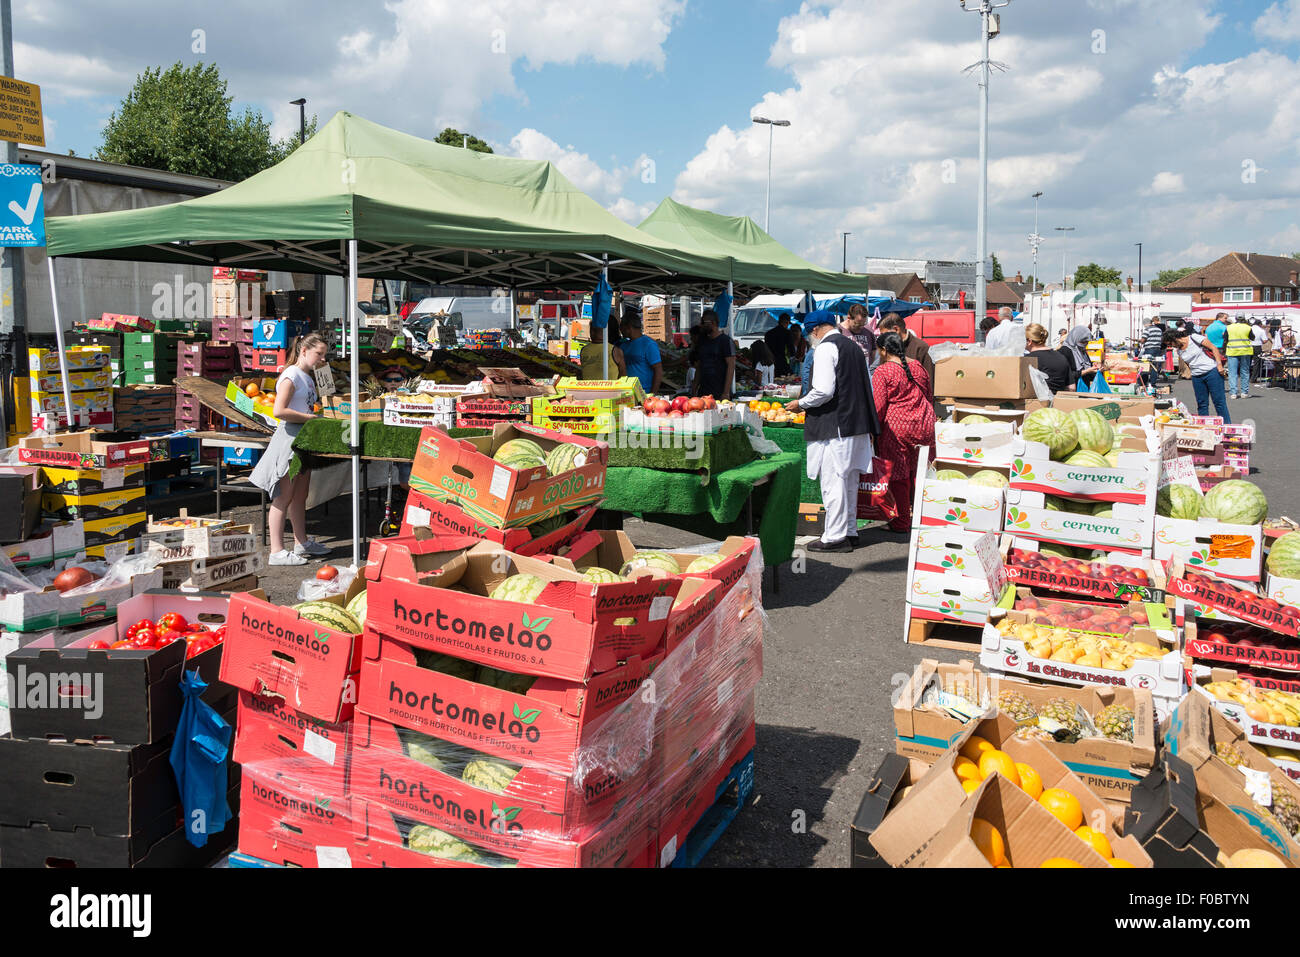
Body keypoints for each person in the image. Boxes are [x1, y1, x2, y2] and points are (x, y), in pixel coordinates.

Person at [786, 311, 879, 552]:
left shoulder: (826, 349)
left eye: (810, 333)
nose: (810, 338)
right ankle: (849, 530)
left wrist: (801, 403)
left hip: (835, 425)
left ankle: (834, 537)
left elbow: (824, 391)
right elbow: (867, 386)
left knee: (833, 481)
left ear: (815, 330)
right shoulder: (855, 347)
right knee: (848, 480)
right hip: (856, 424)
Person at [250, 334, 331, 566]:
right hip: (289, 440)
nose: (322, 358)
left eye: (324, 354)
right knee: (283, 496)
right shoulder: (291, 375)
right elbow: (278, 411)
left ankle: (301, 542)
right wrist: (309, 418)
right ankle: (276, 551)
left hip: (303, 439)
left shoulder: (306, 376)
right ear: (304, 350)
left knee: (300, 496)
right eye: (319, 354)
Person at [871, 331, 936, 532]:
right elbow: (929, 395)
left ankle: (901, 522)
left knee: (899, 476)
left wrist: (872, 430)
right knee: (921, 472)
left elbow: (878, 407)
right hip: (925, 423)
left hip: (898, 428)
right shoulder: (916, 366)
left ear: (883, 350)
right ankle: (924, 516)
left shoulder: (883, 372)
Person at [1166, 326, 1230, 423]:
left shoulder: (1194, 338)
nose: (1171, 346)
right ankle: (1204, 426)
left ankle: (1227, 426)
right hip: (1197, 377)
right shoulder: (1179, 351)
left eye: (1171, 343)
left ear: (1175, 338)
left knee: (1219, 402)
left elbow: (1214, 348)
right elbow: (1189, 364)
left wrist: (1219, 365)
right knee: (1202, 404)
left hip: (1212, 372)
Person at [877, 314, 934, 394]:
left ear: (896, 329)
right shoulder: (886, 347)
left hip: (917, 403)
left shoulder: (921, 347)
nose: (881, 338)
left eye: (884, 334)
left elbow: (929, 381)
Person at [690, 309, 735, 399]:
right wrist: (694, 388)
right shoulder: (702, 341)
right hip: (703, 392)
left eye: (703, 322)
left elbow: (731, 366)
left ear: (713, 323)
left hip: (719, 392)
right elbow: (699, 366)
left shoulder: (725, 341)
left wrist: (726, 392)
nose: (701, 325)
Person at [618, 314, 663, 395]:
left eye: (621, 327)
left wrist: (652, 394)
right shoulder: (623, 345)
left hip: (644, 392)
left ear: (628, 327)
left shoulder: (649, 344)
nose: (620, 330)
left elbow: (658, 370)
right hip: (626, 392)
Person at [1024, 323, 1072, 394]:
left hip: (1035, 403)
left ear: (1029, 341)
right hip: (1059, 401)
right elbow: (1072, 387)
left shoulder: (1027, 360)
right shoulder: (1061, 357)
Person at [1224, 313, 1254, 398]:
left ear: (1236, 318)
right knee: (1245, 372)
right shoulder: (1248, 327)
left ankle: (1233, 393)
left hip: (1232, 351)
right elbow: (1252, 337)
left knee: (1232, 373)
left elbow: (1225, 338)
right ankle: (1244, 392)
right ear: (1244, 318)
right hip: (1245, 351)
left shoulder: (1229, 327)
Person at [764, 313, 793, 377]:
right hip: (782, 363)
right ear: (786, 322)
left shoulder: (768, 334)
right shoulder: (787, 333)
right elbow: (791, 350)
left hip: (769, 362)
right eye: (788, 323)